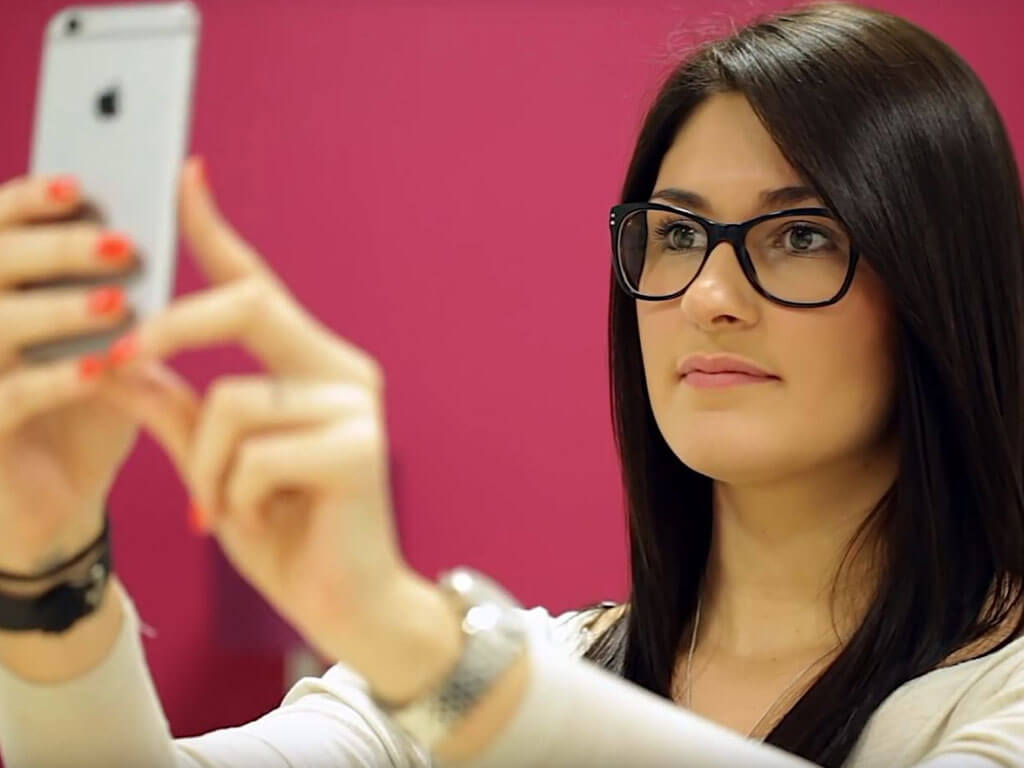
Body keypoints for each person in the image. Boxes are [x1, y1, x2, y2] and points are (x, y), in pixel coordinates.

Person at [0, 0, 1022, 765]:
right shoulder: (539, 664)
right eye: (672, 234)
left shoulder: (995, 698)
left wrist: (421, 647)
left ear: (936, 281)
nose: (708, 292)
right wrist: (44, 563)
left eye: (799, 235)